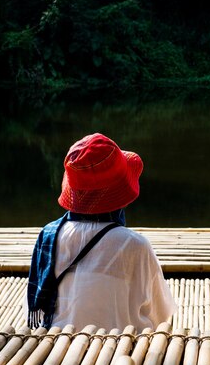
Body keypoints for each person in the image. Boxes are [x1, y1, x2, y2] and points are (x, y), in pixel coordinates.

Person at [25, 132, 177, 331]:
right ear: (119, 192)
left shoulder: (48, 236)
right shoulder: (134, 246)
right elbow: (161, 316)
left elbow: (32, 307)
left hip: (57, 349)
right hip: (119, 353)